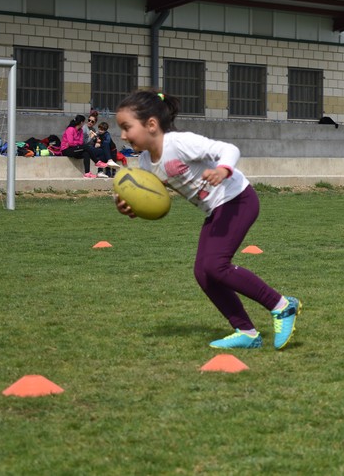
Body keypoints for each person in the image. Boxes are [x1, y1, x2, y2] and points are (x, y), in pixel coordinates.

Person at [113, 90, 302, 350]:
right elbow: (149, 198)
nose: (122, 135)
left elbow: (228, 149)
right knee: (204, 273)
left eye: (126, 127)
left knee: (215, 265)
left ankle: (281, 306)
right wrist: (129, 206)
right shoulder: (145, 162)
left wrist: (223, 169)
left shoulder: (178, 143)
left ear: (152, 124)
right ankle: (246, 332)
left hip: (238, 199)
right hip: (216, 209)